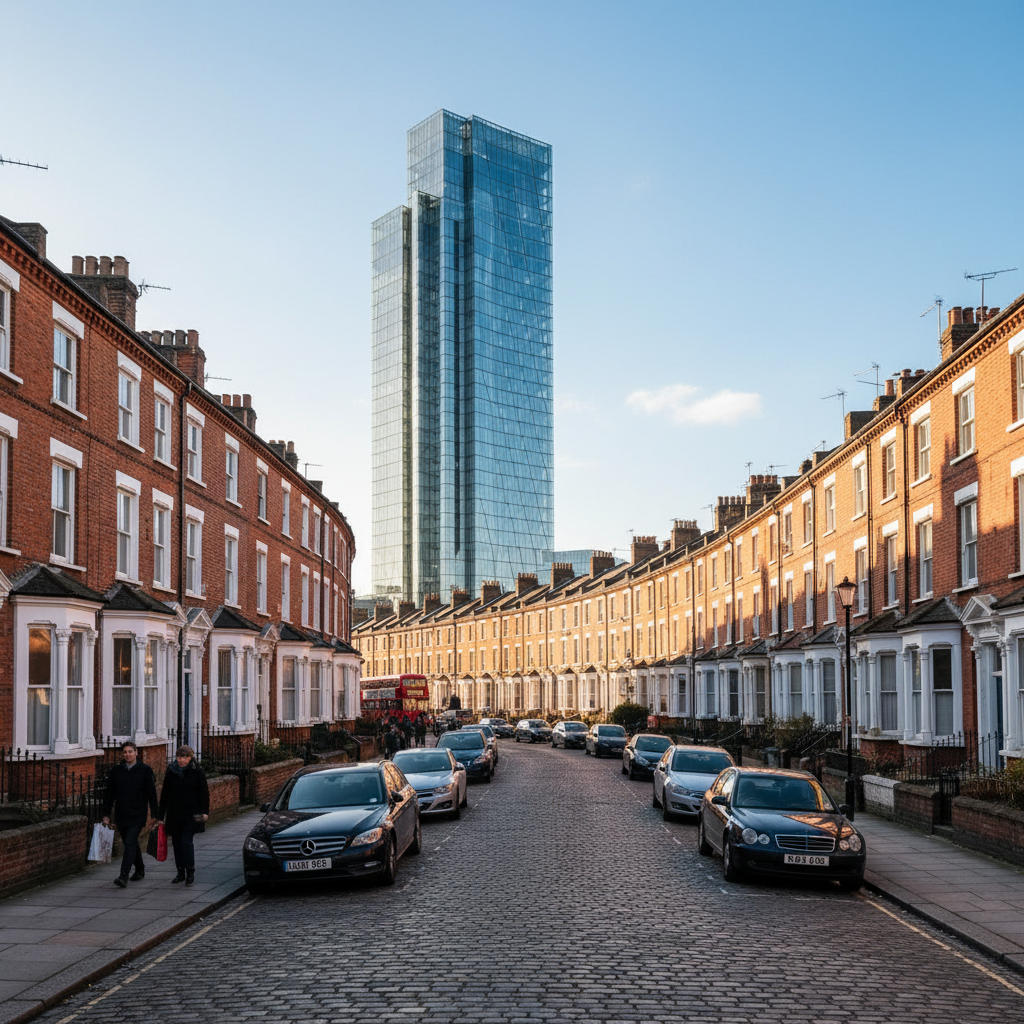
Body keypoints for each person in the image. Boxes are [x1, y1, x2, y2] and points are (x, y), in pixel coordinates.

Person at [102, 741, 159, 888]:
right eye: (125, 752)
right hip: (122, 814)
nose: (127, 755)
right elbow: (109, 794)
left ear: (136, 753)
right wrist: (106, 814)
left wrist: (155, 815)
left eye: (130, 751)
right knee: (130, 842)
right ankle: (140, 869)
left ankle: (123, 876)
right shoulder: (116, 771)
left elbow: (152, 794)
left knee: (129, 842)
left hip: (138, 813)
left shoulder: (145, 770)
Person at [158, 745, 210, 886]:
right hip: (174, 814)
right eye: (179, 757)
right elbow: (165, 794)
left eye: (185, 758)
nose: (181, 760)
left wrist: (204, 812)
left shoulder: (197, 771)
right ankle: (180, 872)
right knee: (176, 844)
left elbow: (203, 793)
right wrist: (159, 816)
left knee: (186, 842)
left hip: (190, 814)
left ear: (190, 758)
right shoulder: (171, 771)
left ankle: (190, 871)